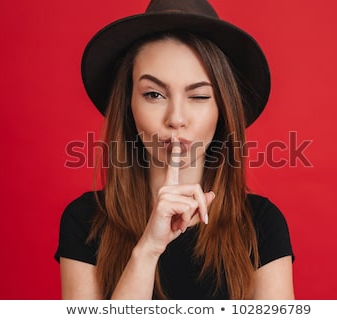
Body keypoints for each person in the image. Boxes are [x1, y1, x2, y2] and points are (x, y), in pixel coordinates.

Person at [55, 0, 294, 300]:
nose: (176, 118)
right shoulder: (85, 220)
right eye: (154, 94)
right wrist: (148, 250)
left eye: (199, 96)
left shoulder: (261, 224)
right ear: (128, 105)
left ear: (223, 109)